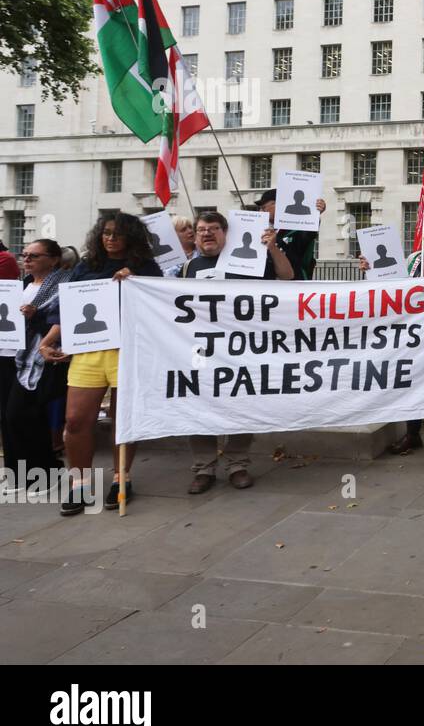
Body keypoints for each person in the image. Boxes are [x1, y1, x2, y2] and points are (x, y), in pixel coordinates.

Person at [38, 212, 162, 515]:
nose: (110, 238)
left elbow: (160, 304)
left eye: (117, 234)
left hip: (128, 351)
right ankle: (79, 483)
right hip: (88, 353)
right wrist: (49, 340)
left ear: (130, 237)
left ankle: (122, 478)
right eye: (106, 233)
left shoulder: (146, 267)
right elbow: (68, 308)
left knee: (123, 420)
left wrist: (134, 282)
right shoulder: (85, 266)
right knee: (76, 420)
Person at [182, 211, 293, 492]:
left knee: (239, 405)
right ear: (195, 236)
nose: (207, 233)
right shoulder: (188, 269)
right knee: (199, 407)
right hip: (201, 351)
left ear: (225, 233)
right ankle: (203, 468)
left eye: (214, 228)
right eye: (202, 229)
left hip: (241, 350)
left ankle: (237, 464)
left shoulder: (250, 262)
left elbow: (287, 276)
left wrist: (272, 248)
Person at [363, 213, 424, 455]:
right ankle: (412, 433)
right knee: (413, 382)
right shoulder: (411, 260)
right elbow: (391, 288)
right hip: (414, 332)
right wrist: (369, 270)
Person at [2, 239, 71, 494]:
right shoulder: (22, 285)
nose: (26, 260)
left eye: (34, 256)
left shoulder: (63, 285)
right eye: (24, 255)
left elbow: (62, 321)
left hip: (41, 358)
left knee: (24, 415)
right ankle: (18, 474)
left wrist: (37, 316)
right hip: (12, 355)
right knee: (9, 419)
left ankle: (46, 471)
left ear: (53, 259)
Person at [254, 189, 326, 280]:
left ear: (277, 205)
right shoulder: (263, 230)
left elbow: (308, 232)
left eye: (263, 208)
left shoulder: (296, 229)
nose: (260, 212)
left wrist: (315, 214)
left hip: (294, 286)